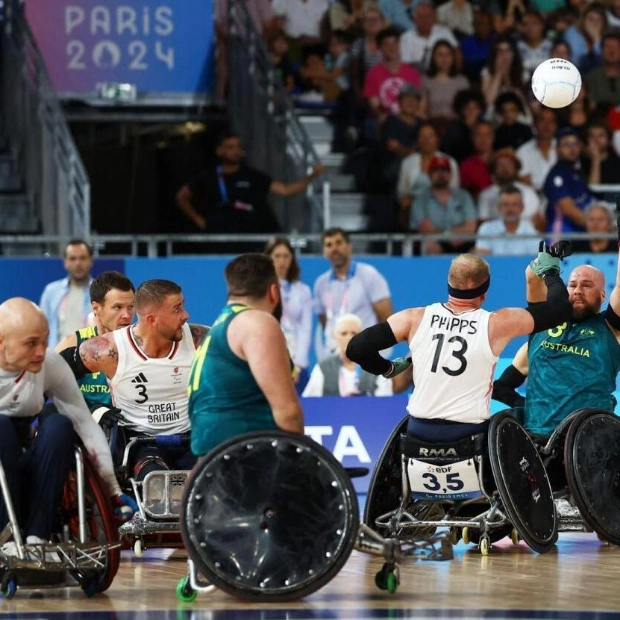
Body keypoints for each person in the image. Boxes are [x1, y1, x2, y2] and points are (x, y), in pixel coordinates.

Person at [346, 249, 572, 442]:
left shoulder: (414, 318)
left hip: (418, 432)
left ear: (449, 284)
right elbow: (559, 309)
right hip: (469, 435)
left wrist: (387, 368)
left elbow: (356, 348)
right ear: (484, 294)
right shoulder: (497, 324)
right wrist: (549, 271)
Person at [0, 298, 134, 557]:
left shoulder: (48, 364)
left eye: (44, 340)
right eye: (31, 343)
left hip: (27, 459)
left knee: (60, 424)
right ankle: (6, 535)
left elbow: (85, 424)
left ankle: (37, 536)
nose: (41, 351)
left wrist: (112, 489)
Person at [59, 279, 209, 477]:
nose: (185, 315)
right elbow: (54, 376)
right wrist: (93, 410)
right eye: (176, 309)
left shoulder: (199, 339)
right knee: (155, 482)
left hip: (192, 439)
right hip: (140, 443)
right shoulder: (109, 349)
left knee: (214, 477)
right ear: (151, 319)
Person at [493, 239, 620, 438]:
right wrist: (547, 260)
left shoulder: (610, 329)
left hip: (590, 441)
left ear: (603, 295)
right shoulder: (542, 326)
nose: (577, 290)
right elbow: (499, 388)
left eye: (586, 285)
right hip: (536, 438)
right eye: (572, 285)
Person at [188, 254, 305, 457]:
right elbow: (288, 412)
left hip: (212, 456)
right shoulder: (256, 322)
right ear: (274, 291)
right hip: (245, 456)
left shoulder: (219, 327)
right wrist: (305, 460)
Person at [175, 132, 326, 251]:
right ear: (219, 150)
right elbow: (182, 197)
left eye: (238, 147)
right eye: (230, 147)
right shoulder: (207, 177)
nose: (235, 151)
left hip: (250, 240)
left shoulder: (253, 176)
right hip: (219, 238)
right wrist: (199, 221)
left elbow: (286, 190)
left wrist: (311, 176)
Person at [54, 271, 135, 411]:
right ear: (96, 308)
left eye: (131, 307)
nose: (127, 315)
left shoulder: (143, 343)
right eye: (118, 307)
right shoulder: (73, 343)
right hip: (85, 423)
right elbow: (45, 385)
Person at [313, 227, 393, 359]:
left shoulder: (369, 275)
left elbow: (386, 318)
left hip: (364, 353)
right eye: (329, 245)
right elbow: (324, 321)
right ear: (324, 252)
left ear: (349, 247)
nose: (334, 248)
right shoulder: (320, 284)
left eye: (339, 243)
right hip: (333, 355)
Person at [264, 237, 313, 394]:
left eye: (286, 256)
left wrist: (298, 364)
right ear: (269, 259)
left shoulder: (303, 290)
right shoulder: (261, 289)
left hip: (296, 358)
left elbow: (306, 328)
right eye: (277, 256)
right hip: (270, 358)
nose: (282, 261)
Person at [303, 313, 393, 396]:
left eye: (354, 333)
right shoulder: (323, 368)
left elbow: (385, 402)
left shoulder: (379, 366)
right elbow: (311, 403)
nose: (349, 338)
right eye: (344, 333)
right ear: (335, 338)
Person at [409, 156, 477, 254]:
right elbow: (425, 228)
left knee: (477, 251)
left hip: (462, 241)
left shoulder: (463, 196)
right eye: (436, 170)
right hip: (435, 241)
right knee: (431, 247)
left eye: (445, 170)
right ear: (429, 175)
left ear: (451, 174)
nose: (441, 174)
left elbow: (470, 226)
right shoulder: (420, 200)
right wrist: (448, 235)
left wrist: (453, 236)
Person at [39, 239, 94, 349]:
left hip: (89, 358)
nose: (78, 263)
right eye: (73, 258)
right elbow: (41, 328)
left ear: (90, 261)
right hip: (56, 356)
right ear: (65, 262)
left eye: (82, 258)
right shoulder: (51, 292)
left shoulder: (101, 292)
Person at [543, 128, 597, 237]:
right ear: (557, 149)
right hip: (562, 236)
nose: (572, 149)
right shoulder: (557, 175)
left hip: (580, 233)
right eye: (566, 145)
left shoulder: (576, 171)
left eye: (575, 144)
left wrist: (596, 159)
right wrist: (599, 227)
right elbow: (569, 210)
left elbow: (591, 192)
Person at [475, 185, 541, 256]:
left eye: (514, 204)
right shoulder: (486, 229)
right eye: (505, 205)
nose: (510, 209)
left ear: (522, 208)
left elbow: (536, 262)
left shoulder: (532, 232)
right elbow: (482, 259)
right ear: (499, 207)